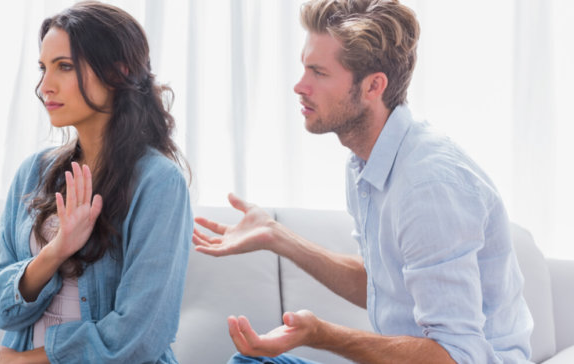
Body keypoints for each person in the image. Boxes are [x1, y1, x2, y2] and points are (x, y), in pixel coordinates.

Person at [192, 0, 533, 363]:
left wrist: (323, 335)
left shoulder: (430, 185)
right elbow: (383, 286)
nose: (299, 85)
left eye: (318, 73)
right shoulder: (367, 164)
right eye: (303, 68)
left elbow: (457, 356)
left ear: (373, 86)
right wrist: (277, 236)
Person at [0, 2, 192, 363]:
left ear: (118, 72)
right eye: (43, 68)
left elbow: (140, 335)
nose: (45, 86)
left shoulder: (159, 184)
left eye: (64, 67)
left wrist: (24, 361)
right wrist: (56, 252)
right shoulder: (33, 173)